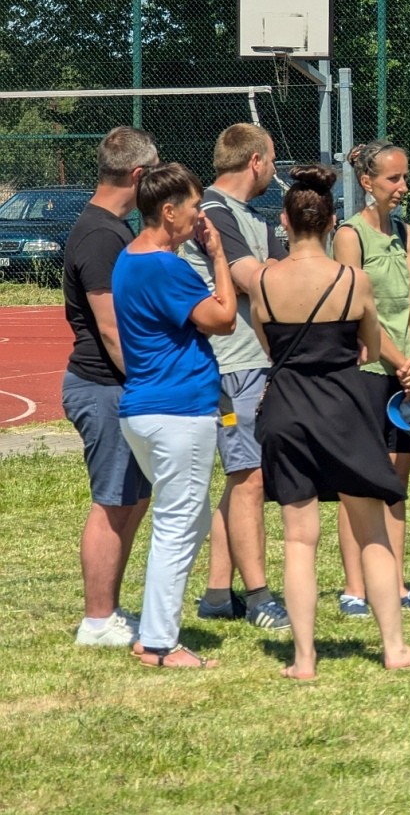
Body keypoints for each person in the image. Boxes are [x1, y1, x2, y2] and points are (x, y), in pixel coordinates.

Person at [250, 164, 410, 678]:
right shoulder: (351, 278)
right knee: (371, 530)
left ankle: (304, 659)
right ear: (333, 222)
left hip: (286, 411)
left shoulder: (264, 281)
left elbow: (271, 347)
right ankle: (395, 647)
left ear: (285, 224)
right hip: (344, 409)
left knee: (298, 539)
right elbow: (372, 347)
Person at [114, 162, 237, 669]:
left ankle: (153, 629)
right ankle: (159, 642)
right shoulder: (167, 267)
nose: (199, 217)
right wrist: (220, 255)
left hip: (145, 409)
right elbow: (224, 319)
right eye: (193, 207)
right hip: (177, 409)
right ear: (168, 211)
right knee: (179, 521)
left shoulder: (128, 259)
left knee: (189, 517)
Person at [180, 123, 290, 632]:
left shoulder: (250, 217)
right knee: (250, 479)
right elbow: (252, 281)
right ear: (256, 161)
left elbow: (284, 277)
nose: (273, 169)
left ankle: (219, 594)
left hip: (251, 363)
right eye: (271, 160)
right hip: (230, 367)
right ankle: (262, 596)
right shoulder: (214, 215)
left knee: (243, 478)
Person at [331, 140, 410, 617]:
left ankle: (394, 585)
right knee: (358, 482)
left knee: (397, 478)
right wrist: (395, 359)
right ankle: (356, 588)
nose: (402, 187)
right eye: (393, 179)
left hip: (406, 373)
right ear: (367, 181)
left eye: (404, 177)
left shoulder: (406, 233)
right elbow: (359, 310)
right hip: (368, 372)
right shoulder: (349, 236)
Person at [62, 127, 159, 647]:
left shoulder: (112, 228)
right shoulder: (101, 236)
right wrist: (150, 381)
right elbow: (110, 329)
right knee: (113, 502)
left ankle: (111, 612)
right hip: (104, 387)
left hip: (117, 386)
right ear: (138, 176)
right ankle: (97, 620)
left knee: (131, 499)